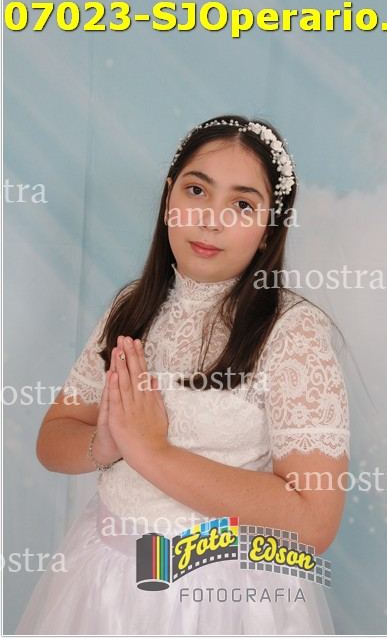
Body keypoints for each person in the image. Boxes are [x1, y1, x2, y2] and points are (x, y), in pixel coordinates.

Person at [15, 114, 350, 635]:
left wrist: (152, 451)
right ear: (169, 197)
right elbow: (52, 440)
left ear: (270, 228)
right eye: (197, 191)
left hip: (224, 596)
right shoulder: (134, 307)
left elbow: (313, 521)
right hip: (106, 575)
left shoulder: (291, 332)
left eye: (242, 204)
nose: (211, 220)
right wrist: (106, 444)